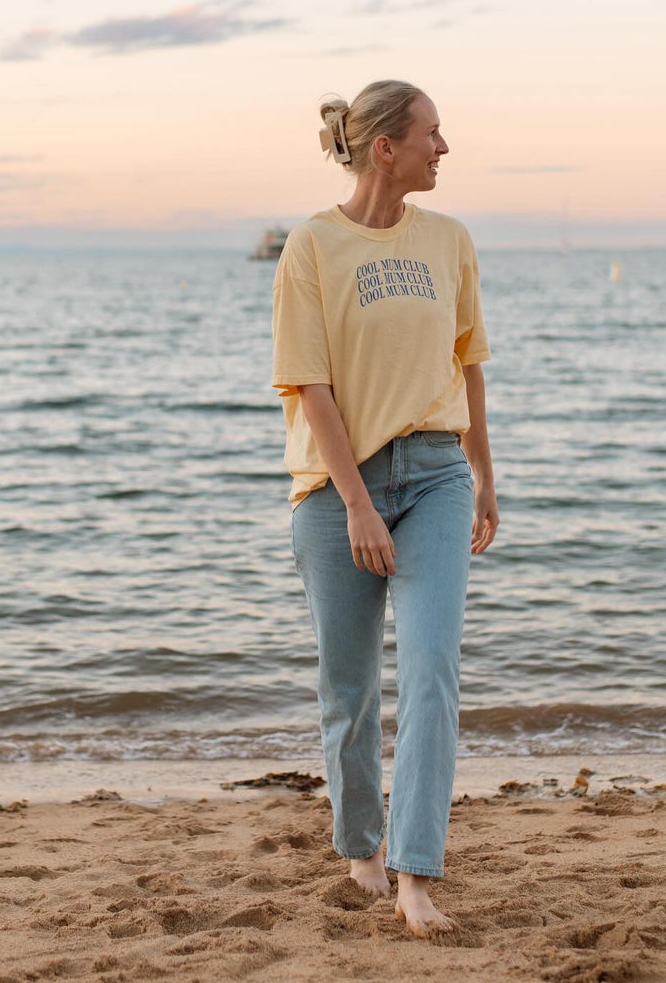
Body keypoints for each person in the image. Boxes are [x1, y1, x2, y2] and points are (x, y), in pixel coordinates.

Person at [269, 79, 499, 939]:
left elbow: (469, 363)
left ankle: (413, 873)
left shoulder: (450, 240)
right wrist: (359, 506)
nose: (446, 148)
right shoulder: (313, 246)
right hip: (337, 489)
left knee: (433, 670)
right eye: (433, 134)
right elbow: (312, 384)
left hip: (437, 474)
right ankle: (360, 842)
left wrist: (483, 474)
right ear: (385, 149)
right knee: (350, 686)